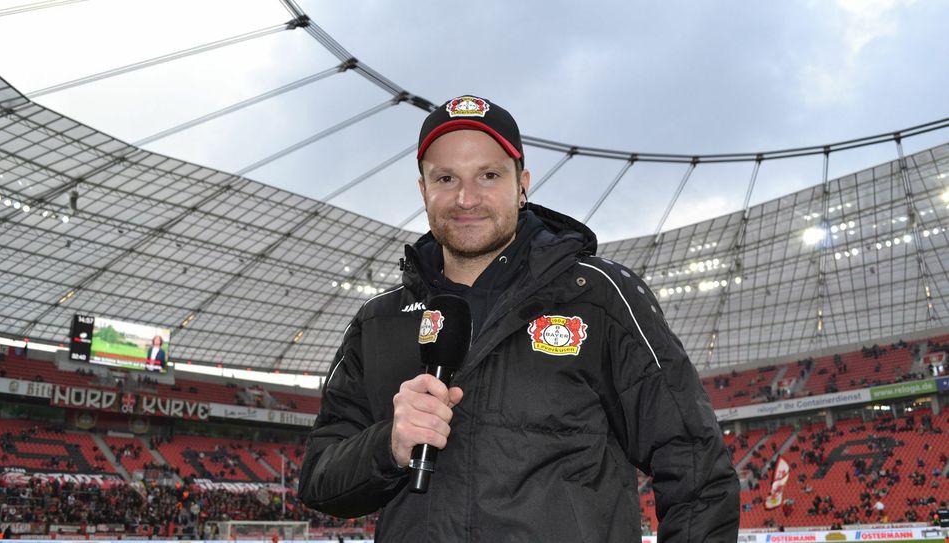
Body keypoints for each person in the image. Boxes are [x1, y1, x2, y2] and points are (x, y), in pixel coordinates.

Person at [299, 95, 739, 541]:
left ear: (522, 183)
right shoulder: (380, 321)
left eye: (488, 175)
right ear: (422, 189)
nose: (466, 198)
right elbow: (318, 479)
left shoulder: (598, 297)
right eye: (446, 178)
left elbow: (696, 465)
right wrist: (389, 445)